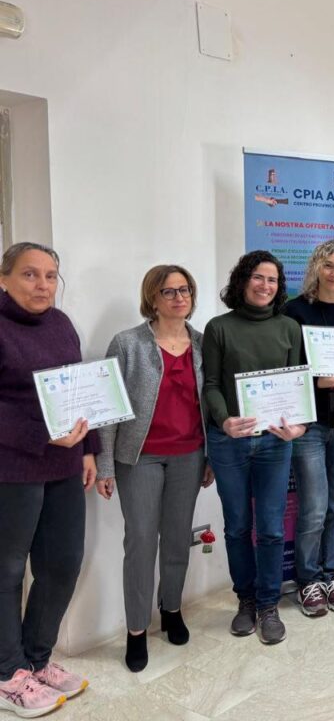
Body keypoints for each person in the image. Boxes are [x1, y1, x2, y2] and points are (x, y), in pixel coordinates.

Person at [96, 265, 214, 673]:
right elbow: (108, 406)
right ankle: (136, 630)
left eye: (185, 290)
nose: (179, 298)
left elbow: (210, 404)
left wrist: (210, 457)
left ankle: (172, 609)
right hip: (139, 457)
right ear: (152, 297)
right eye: (169, 291)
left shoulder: (202, 344)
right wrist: (105, 464)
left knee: (178, 538)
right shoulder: (127, 343)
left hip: (189, 455)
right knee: (141, 541)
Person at [0, 242, 96, 717]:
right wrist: (42, 434)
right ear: (4, 279)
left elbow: (81, 388)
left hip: (63, 465)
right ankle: (7, 673)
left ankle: (36, 660)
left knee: (62, 564)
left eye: (51, 275)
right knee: (7, 571)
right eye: (30, 274)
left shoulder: (60, 323)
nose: (43, 285)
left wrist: (89, 447)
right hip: (12, 468)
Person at [203, 250, 306, 646]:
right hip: (229, 442)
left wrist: (298, 425)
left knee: (271, 528)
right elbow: (211, 385)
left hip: (274, 443)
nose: (265, 286)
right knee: (237, 527)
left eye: (273, 280)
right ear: (243, 280)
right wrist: (223, 420)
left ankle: (268, 605)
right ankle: (245, 600)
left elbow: (297, 385)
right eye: (258, 277)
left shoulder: (289, 328)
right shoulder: (219, 327)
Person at [283, 240, 334, 618]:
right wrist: (316, 382)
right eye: (329, 265)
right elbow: (285, 368)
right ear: (316, 268)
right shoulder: (294, 312)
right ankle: (308, 580)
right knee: (314, 508)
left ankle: (333, 575)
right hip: (310, 424)